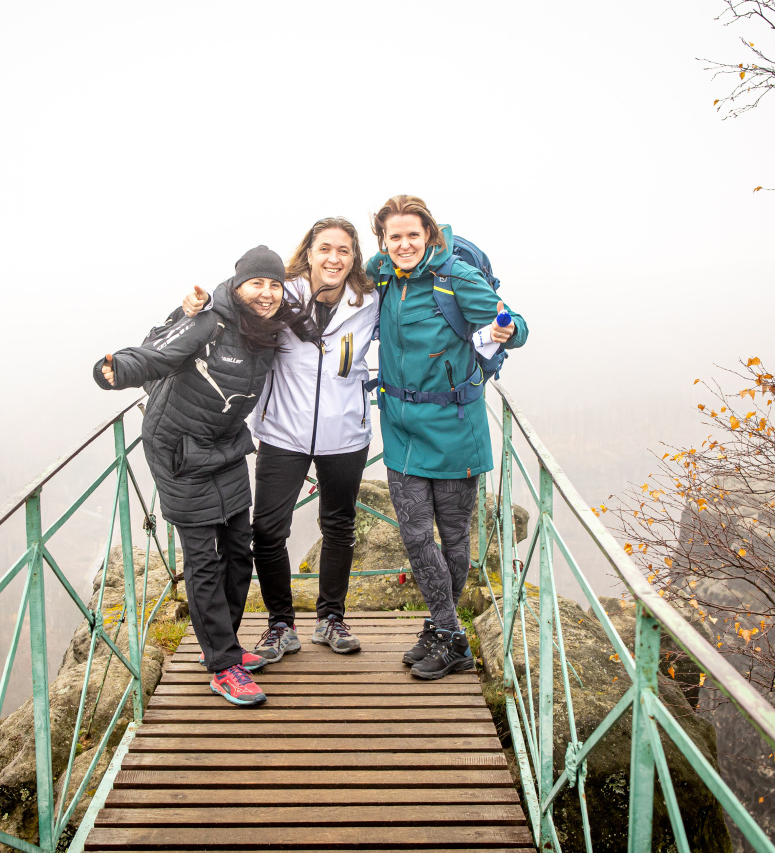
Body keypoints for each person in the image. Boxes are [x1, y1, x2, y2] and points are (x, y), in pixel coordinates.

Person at [93, 246, 313, 705]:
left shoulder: (266, 330)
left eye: (274, 284)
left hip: (226, 447)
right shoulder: (209, 322)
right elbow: (156, 354)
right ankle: (223, 665)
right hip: (177, 450)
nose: (267, 293)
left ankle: (222, 644)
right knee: (204, 560)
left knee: (238, 551)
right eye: (256, 283)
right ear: (237, 285)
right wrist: (114, 369)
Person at [180, 218, 380, 663]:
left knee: (339, 526)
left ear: (354, 257)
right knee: (268, 531)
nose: (333, 258)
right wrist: (199, 302)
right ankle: (280, 625)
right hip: (282, 430)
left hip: (346, 432)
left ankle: (331, 618)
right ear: (308, 252)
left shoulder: (370, 301)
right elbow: (236, 296)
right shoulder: (282, 293)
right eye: (324, 248)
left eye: (343, 250)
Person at [365, 194, 526, 680]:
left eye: (413, 235)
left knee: (454, 538)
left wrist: (505, 331)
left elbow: (516, 326)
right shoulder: (382, 275)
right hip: (400, 425)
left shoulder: (457, 277)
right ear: (383, 241)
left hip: (455, 424)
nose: (404, 244)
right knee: (416, 536)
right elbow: (329, 281)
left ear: (429, 234)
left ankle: (442, 633)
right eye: (395, 237)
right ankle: (450, 633)